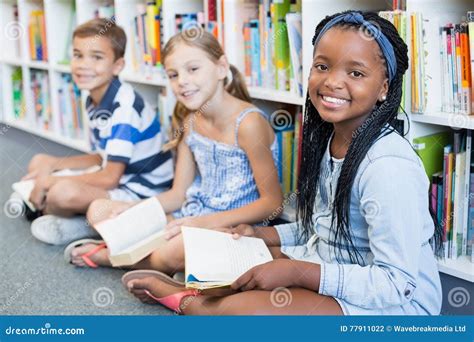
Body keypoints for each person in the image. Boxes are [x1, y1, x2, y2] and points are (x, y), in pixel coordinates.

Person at [123, 11, 443, 315]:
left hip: (394, 306)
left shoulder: (387, 166)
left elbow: (397, 284)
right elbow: (321, 229)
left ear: (384, 88)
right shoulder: (331, 140)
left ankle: (188, 301)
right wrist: (263, 237)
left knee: (243, 313)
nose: (332, 82)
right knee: (240, 268)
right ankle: (199, 291)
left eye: (355, 73)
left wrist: (297, 272)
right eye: (322, 66)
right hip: (330, 263)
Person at [66, 30, 283, 270]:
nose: (182, 81)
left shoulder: (249, 123)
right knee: (101, 210)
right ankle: (162, 261)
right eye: (173, 74)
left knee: (173, 249)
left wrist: (202, 223)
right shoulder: (190, 123)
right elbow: (178, 194)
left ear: (221, 67)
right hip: (191, 213)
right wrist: (131, 208)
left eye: (193, 69)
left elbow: (272, 202)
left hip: (234, 226)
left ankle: (108, 257)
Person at [27, 18, 173, 245]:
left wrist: (49, 182)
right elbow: (101, 156)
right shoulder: (94, 98)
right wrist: (52, 166)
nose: (83, 65)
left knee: (61, 193)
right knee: (40, 161)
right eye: (78, 55)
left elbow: (110, 177)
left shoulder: (125, 107)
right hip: (116, 174)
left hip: (140, 191)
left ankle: (83, 226)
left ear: (117, 66)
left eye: (96, 57)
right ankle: (73, 216)